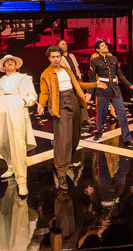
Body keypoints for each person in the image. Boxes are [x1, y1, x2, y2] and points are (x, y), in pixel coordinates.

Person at [37, 45, 102, 191]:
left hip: (73, 100)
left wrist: (94, 84)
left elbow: (77, 85)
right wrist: (41, 104)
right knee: (63, 138)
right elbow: (44, 92)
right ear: (49, 58)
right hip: (60, 103)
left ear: (61, 57)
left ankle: (64, 159)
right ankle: (61, 173)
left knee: (75, 136)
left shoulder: (66, 70)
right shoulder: (46, 74)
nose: (55, 59)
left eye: (58, 56)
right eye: (53, 57)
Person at [0, 54, 38, 197]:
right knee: (1, 141)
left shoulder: (25, 78)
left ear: (17, 65)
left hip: (16, 105)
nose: (10, 63)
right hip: (0, 107)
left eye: (12, 61)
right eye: (7, 62)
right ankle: (11, 165)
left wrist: (24, 102)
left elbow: (32, 95)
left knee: (18, 143)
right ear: (3, 67)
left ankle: (22, 181)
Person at [89, 39, 133, 147]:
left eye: (105, 45)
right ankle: (99, 132)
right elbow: (92, 78)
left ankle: (127, 138)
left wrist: (129, 85)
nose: (105, 47)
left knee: (122, 114)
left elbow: (120, 74)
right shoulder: (95, 61)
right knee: (101, 114)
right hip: (102, 90)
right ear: (98, 49)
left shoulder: (114, 58)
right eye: (102, 46)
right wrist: (89, 92)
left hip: (115, 89)